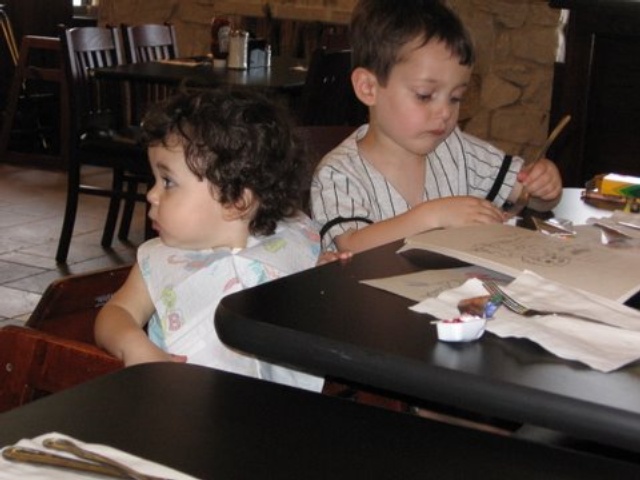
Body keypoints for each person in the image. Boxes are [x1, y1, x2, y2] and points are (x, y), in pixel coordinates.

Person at [94, 89, 330, 392]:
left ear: (236, 201)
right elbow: (115, 313)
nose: (151, 194)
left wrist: (326, 277)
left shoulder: (292, 241)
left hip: (276, 409)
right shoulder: (158, 259)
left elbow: (320, 310)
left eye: (168, 182)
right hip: (180, 402)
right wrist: (134, 346)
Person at [311, 0, 563, 253]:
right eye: (424, 95)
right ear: (368, 88)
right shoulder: (339, 173)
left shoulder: (457, 149)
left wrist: (542, 188)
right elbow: (350, 247)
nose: (445, 112)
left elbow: (525, 196)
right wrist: (432, 216)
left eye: (455, 98)